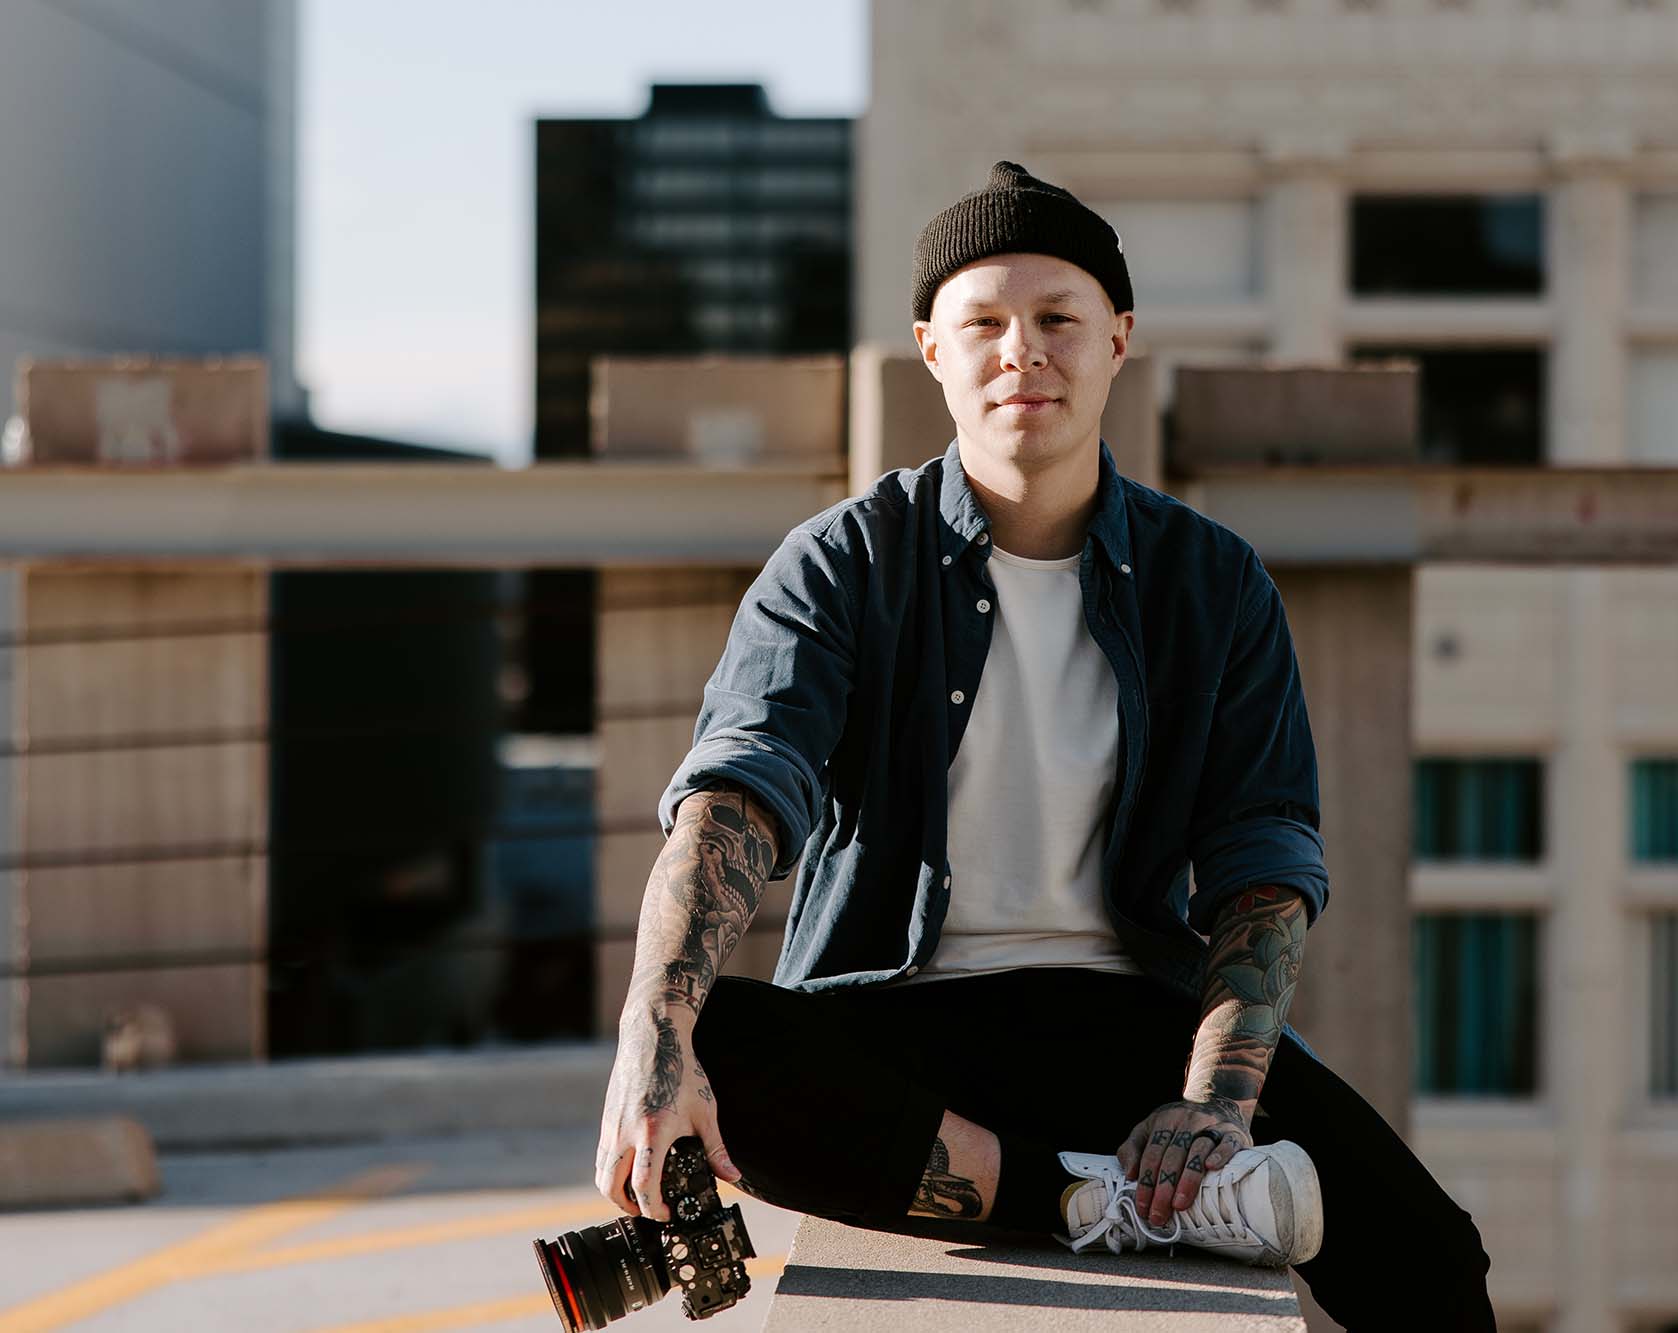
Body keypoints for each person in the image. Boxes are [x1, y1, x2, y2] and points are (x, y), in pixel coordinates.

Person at [595, 161, 1497, 1329]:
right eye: (984, 322)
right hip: (902, 1019)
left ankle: (1129, 1181)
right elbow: (734, 797)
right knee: (719, 1031)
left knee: (1433, 1261)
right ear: (933, 349)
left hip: (1133, 1021)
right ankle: (1093, 1200)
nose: (1023, 351)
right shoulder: (842, 562)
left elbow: (1261, 862)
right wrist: (652, 1038)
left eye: (1059, 319)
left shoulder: (1209, 581)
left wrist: (1215, 1103)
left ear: (1119, 339)